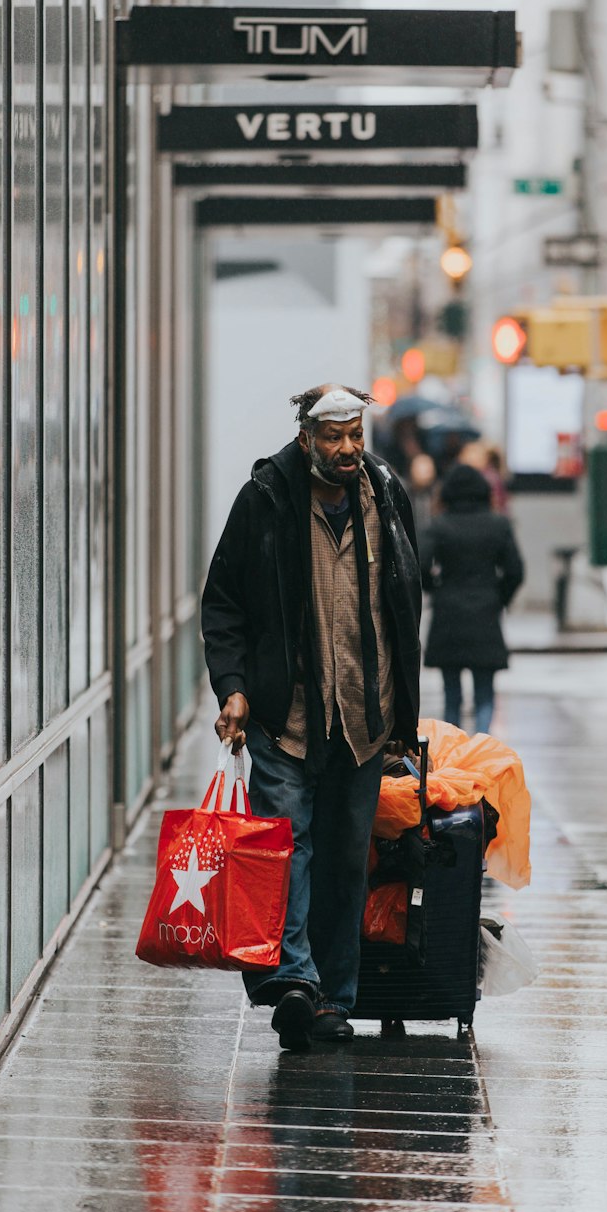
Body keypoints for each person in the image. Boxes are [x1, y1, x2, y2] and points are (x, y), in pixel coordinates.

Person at [201, 384, 422, 1052]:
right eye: (334, 437)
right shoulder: (264, 501)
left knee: (345, 863)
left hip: (362, 718)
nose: (348, 448)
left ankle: (333, 998)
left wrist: (403, 714)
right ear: (307, 440)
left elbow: (407, 602)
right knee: (288, 851)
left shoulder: (385, 496)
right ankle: (294, 983)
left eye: (356, 435)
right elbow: (223, 603)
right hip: (285, 719)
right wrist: (234, 689)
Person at [420, 463, 524, 736]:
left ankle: (455, 758)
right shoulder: (498, 524)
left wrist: (435, 588)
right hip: (485, 611)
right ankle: (481, 752)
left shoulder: (439, 525)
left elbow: (418, 565)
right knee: (485, 693)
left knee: (451, 695)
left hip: (448, 613)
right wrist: (499, 596)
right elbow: (515, 570)